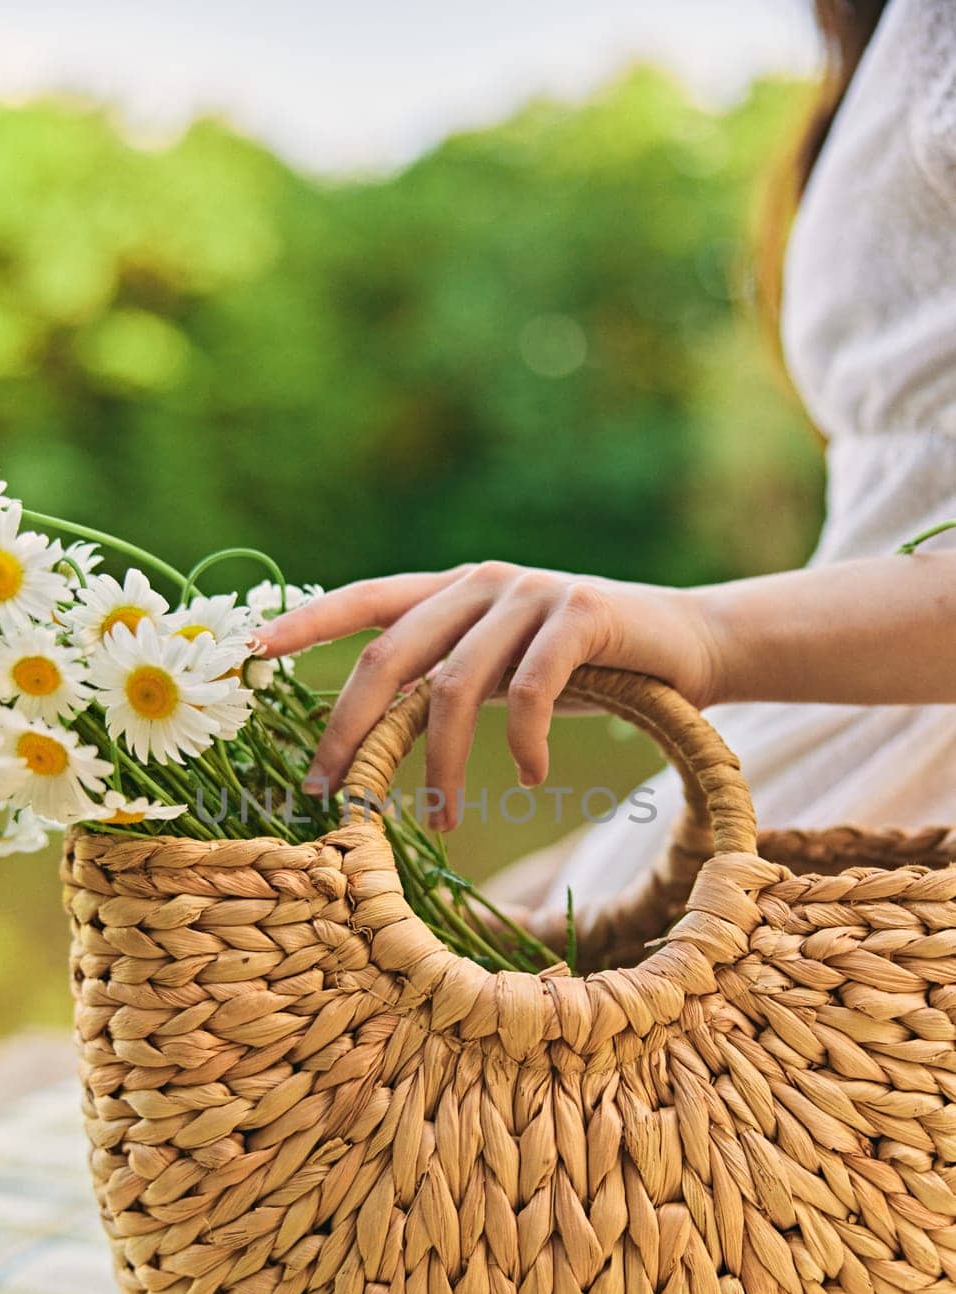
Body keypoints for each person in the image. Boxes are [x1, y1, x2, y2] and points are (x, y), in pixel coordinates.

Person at [255, 0, 956, 922]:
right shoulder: (875, 49)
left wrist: (706, 636)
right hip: (818, 761)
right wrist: (582, 869)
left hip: (897, 862)